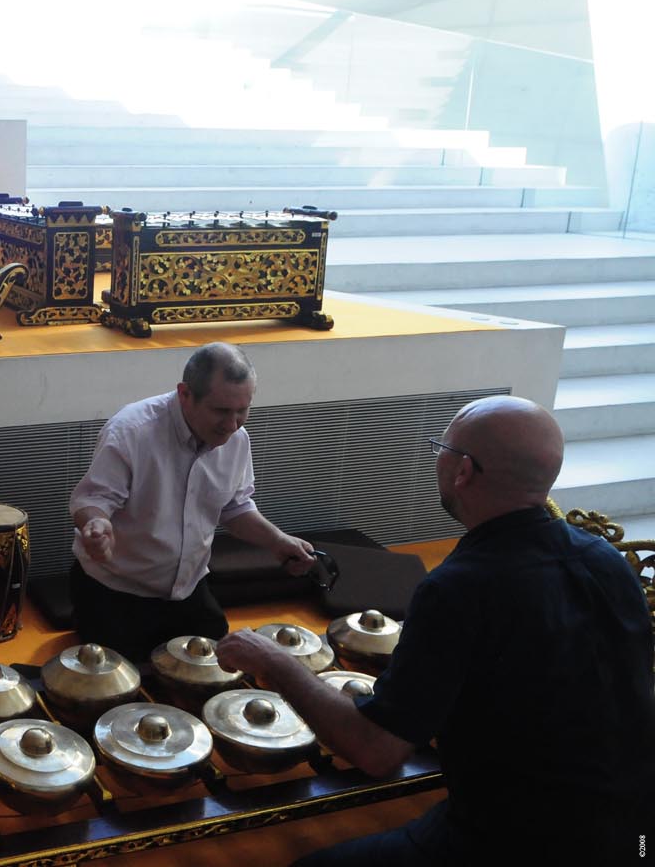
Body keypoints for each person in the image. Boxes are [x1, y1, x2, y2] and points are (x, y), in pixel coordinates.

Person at [215, 395, 655, 865]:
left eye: (440, 448)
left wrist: (274, 662)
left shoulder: (459, 587)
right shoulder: (605, 560)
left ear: (462, 470)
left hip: (523, 843)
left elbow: (377, 752)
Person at [68, 342, 315, 660]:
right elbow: (93, 498)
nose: (233, 424)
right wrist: (96, 523)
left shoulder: (236, 439)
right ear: (185, 394)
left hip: (188, 588)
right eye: (221, 411)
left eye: (243, 410)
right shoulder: (131, 431)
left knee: (222, 665)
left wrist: (278, 541)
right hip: (115, 591)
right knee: (123, 680)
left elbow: (235, 507)